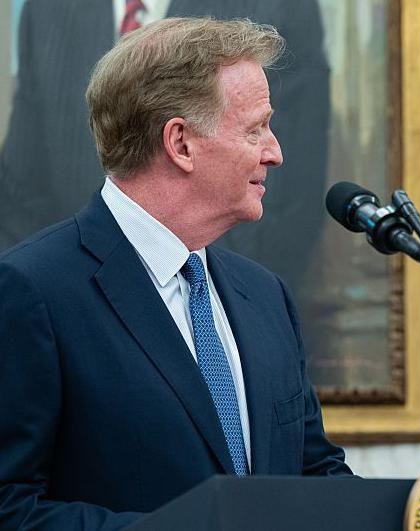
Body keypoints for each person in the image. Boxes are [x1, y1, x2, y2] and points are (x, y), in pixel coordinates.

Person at [0, 18, 351, 529]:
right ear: (181, 142)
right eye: (255, 129)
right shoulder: (31, 290)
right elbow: (9, 507)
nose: (275, 152)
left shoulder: (265, 295)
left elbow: (315, 473)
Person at [0, 0, 329, 293]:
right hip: (72, 303)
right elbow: (21, 191)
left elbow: (298, 194)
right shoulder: (46, 9)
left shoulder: (281, 7)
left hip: (224, 295)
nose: (273, 153)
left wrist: (241, 299)